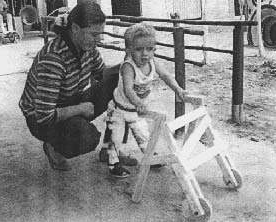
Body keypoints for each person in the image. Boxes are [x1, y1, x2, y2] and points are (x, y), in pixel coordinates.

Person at [19, 1, 120, 171]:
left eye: (100, 34)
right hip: (40, 118)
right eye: (94, 34)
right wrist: (80, 109)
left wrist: (128, 64)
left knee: (119, 79)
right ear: (75, 29)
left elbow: (102, 73)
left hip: (68, 100)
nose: (99, 40)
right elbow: (44, 116)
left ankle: (111, 149)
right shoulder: (54, 59)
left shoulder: (88, 48)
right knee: (87, 137)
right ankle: (54, 147)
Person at [103, 23, 189, 177]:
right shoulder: (128, 67)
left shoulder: (152, 62)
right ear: (128, 50)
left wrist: (177, 89)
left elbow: (166, 76)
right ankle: (114, 163)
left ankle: (149, 157)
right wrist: (138, 102)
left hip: (136, 109)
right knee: (115, 138)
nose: (145, 54)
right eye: (138, 49)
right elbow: (128, 89)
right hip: (120, 109)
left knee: (143, 134)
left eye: (149, 49)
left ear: (154, 49)